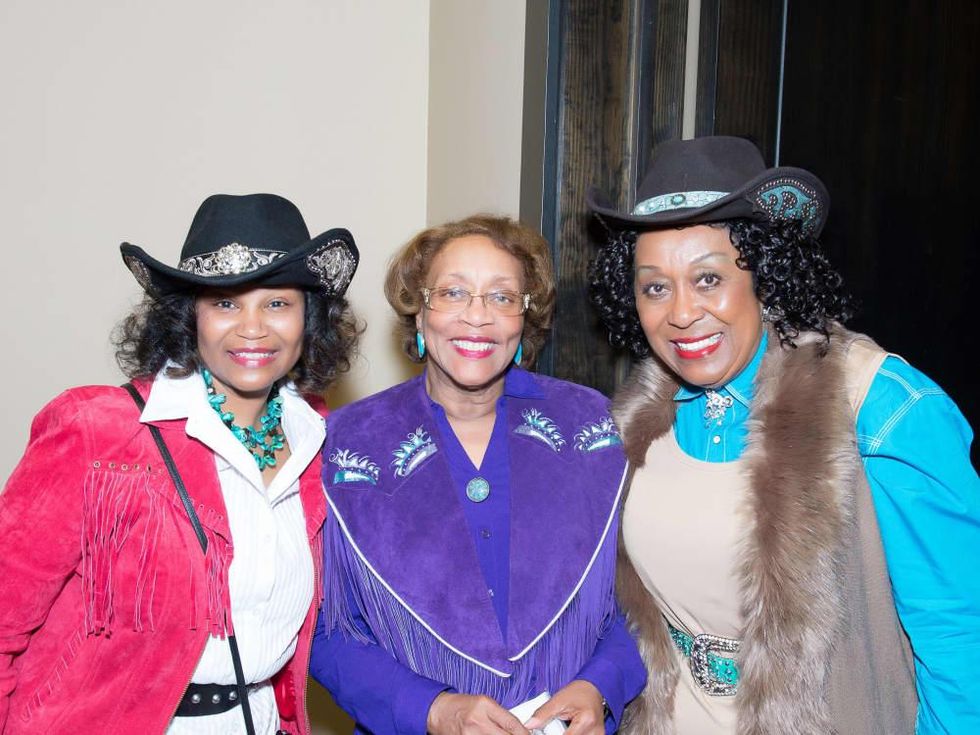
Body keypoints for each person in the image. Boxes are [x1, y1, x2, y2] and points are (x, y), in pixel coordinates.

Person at [586, 136, 980, 734]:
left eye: (709, 279)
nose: (682, 313)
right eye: (655, 287)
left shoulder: (879, 404)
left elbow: (959, 639)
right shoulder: (632, 425)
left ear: (764, 275)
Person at [0, 193, 360, 734]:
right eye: (226, 303)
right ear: (189, 316)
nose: (253, 328)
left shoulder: (316, 442)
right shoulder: (99, 429)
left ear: (309, 318)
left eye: (277, 303)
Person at [309, 214, 646, 734]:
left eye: (502, 297)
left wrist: (601, 686)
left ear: (524, 320)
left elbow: (640, 596)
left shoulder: (592, 425)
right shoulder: (346, 443)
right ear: (419, 314)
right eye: (453, 293)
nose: (478, 317)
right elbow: (324, 632)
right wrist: (432, 709)